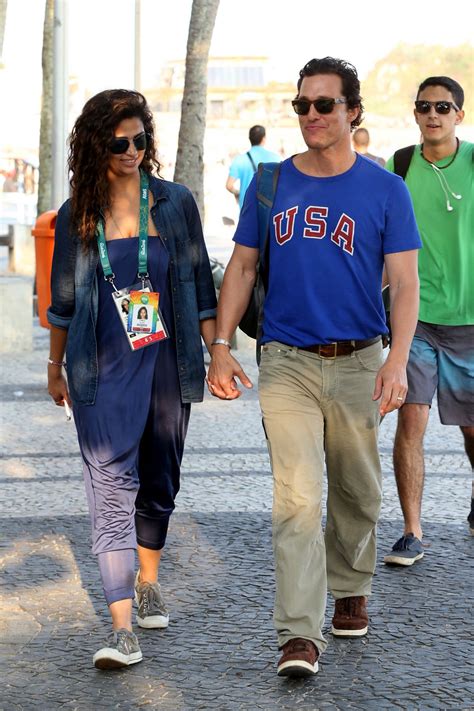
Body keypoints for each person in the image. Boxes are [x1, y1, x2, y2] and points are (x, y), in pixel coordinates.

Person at [207, 56, 421, 678]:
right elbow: (243, 267)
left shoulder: (385, 189)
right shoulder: (270, 184)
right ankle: (298, 633)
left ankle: (351, 584)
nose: (311, 117)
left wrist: (397, 361)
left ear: (352, 111)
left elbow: (405, 285)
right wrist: (221, 345)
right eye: (302, 106)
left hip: (360, 359)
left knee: (357, 489)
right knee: (296, 499)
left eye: (324, 105)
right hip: (286, 359)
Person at [47, 89, 217, 669]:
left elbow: (198, 280)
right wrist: (54, 366)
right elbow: (63, 300)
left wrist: (218, 350)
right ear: (97, 146)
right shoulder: (77, 215)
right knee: (109, 487)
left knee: (160, 478)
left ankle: (147, 579)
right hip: (99, 366)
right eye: (119, 142)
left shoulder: (174, 203)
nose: (132, 151)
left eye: (140, 140)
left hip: (166, 361)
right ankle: (122, 626)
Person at [383, 76, 474, 565]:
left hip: (472, 323)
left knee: (471, 430)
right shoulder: (400, 166)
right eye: (423, 106)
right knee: (410, 420)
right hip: (415, 320)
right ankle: (412, 530)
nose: (432, 114)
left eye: (443, 106)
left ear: (459, 113)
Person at [225, 125, 280, 210]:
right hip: (269, 207)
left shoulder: (239, 160)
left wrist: (238, 194)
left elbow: (229, 185)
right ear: (264, 139)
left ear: (249, 138)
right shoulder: (275, 158)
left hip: (247, 207)